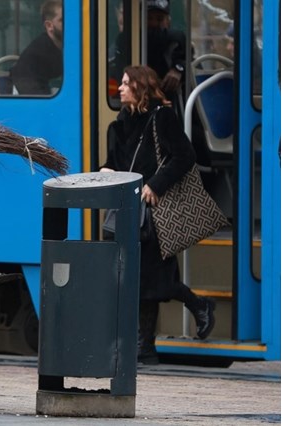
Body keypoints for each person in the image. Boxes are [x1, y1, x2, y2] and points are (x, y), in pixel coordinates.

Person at [100, 65, 216, 365]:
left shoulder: (161, 117)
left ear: (141, 87)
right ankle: (149, 343)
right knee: (141, 280)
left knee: (153, 279)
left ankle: (149, 344)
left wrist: (156, 184)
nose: (120, 88)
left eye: (126, 84)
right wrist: (106, 170)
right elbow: (113, 161)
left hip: (153, 212)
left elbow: (184, 156)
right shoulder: (119, 125)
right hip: (127, 209)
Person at [10, 0, 63, 95]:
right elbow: (32, 95)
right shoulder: (35, 55)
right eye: (62, 20)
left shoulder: (69, 48)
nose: (69, 24)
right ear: (49, 25)